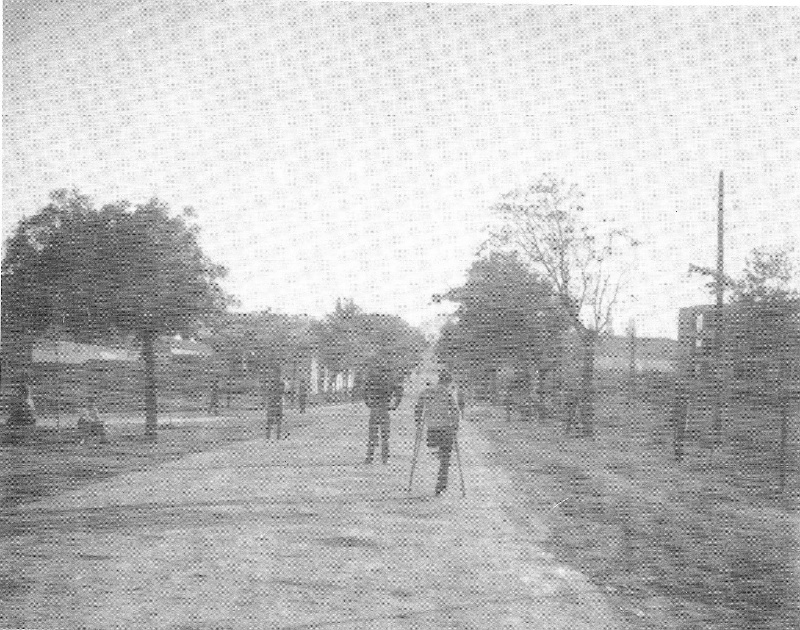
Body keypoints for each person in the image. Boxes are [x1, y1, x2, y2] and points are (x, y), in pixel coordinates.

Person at [415, 371, 460, 495]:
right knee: (446, 458)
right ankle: (440, 485)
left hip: (432, 430)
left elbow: (418, 407)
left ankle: (436, 454)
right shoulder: (448, 393)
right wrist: (455, 426)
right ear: (448, 382)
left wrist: (418, 424)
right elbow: (455, 412)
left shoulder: (426, 391)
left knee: (435, 450)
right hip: (445, 429)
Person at [362, 358, 403, 464]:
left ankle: (370, 457)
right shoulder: (391, 380)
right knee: (385, 436)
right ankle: (384, 458)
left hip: (374, 409)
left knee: (372, 435)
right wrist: (395, 405)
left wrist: (368, 403)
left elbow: (364, 391)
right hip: (385, 409)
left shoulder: (372, 378)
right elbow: (399, 392)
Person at [265, 363, 284, 440]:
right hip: (271, 402)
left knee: (278, 419)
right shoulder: (270, 382)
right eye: (272, 373)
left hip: (277, 401)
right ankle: (268, 435)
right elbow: (268, 392)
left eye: (275, 373)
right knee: (269, 419)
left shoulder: (280, 383)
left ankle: (278, 435)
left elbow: (281, 392)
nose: (273, 374)